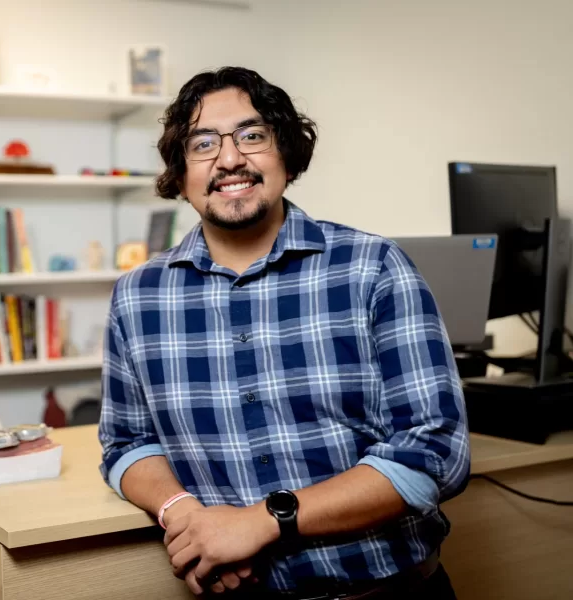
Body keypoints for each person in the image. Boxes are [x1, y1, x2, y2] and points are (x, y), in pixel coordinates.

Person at [97, 66, 470, 599]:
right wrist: (186, 516)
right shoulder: (137, 297)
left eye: (252, 136)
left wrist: (259, 522)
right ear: (180, 175)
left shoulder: (374, 268)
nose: (229, 159)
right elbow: (127, 443)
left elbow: (434, 452)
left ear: (287, 156)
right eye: (203, 144)